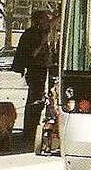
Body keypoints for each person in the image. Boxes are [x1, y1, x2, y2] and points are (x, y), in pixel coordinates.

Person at [13, 10, 58, 139]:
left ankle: (37, 126)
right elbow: (32, 54)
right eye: (44, 19)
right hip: (35, 69)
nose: (47, 22)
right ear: (39, 21)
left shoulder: (42, 31)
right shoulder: (32, 34)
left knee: (46, 97)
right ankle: (30, 130)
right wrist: (42, 42)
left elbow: (53, 22)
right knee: (35, 98)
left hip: (43, 69)